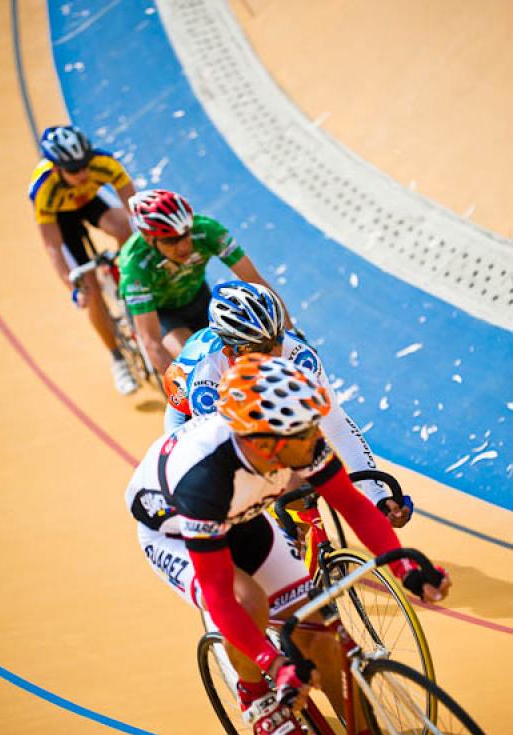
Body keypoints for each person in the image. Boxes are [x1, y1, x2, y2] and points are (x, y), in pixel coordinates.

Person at [126, 353, 450, 735]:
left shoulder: (296, 440)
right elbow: (220, 595)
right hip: (175, 531)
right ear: (267, 443)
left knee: (322, 633)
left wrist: (404, 565)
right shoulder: (203, 481)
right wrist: (272, 663)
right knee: (247, 603)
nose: (317, 439)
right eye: (305, 432)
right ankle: (255, 696)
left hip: (243, 516)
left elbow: (352, 505)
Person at [164, 280, 412, 526]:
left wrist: (377, 495)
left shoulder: (298, 355)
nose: (275, 355)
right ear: (232, 352)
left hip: (257, 403)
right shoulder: (207, 378)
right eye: (259, 348)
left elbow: (335, 424)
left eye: (277, 339)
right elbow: (226, 459)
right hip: (193, 416)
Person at [117, 189, 293, 377]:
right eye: (172, 241)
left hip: (197, 297)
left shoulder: (207, 231)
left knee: (246, 347)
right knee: (199, 365)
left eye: (186, 234)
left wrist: (291, 337)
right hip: (160, 314)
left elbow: (256, 282)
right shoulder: (135, 264)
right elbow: (151, 341)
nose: (184, 246)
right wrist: (184, 395)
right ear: (148, 238)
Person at [29, 125, 137, 395]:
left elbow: (135, 207)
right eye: (74, 170)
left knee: (125, 229)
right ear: (56, 168)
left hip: (92, 202)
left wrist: (137, 253)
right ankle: (118, 359)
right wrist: (73, 286)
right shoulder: (44, 189)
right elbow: (53, 247)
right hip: (62, 220)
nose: (83, 173)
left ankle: (125, 279)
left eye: (85, 165)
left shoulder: (103, 163)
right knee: (89, 288)